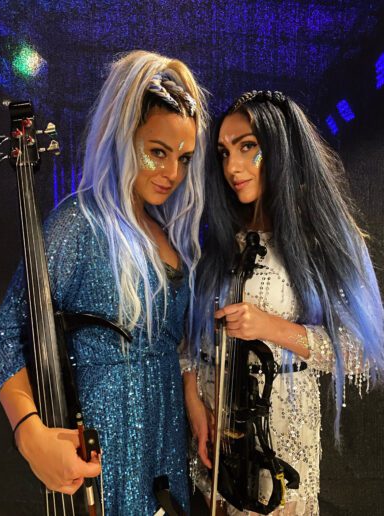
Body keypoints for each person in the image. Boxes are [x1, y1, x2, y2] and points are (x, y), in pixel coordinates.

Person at [0, 50, 208, 515]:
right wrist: (30, 434)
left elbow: (176, 344)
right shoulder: (80, 224)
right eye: (158, 152)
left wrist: (193, 400)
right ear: (122, 137)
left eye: (184, 158)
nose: (173, 173)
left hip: (167, 443)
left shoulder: (167, 231)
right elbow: (2, 336)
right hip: (108, 447)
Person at [183, 90, 384, 515]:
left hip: (278, 438)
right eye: (224, 153)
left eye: (248, 147)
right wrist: (194, 404)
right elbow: (190, 340)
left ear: (281, 148)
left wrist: (271, 327)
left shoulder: (321, 239)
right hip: (214, 438)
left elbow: (359, 352)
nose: (232, 166)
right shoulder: (217, 239)